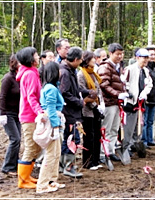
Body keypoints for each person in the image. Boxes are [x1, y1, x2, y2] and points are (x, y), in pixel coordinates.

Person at [59, 47, 97, 177]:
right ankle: (68, 166)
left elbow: (75, 89)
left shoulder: (71, 71)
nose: (81, 61)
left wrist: (86, 92)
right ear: (75, 59)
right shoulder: (64, 73)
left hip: (73, 111)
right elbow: (64, 93)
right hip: (69, 112)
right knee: (72, 138)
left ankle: (65, 165)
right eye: (80, 59)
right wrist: (80, 102)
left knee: (69, 138)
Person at [16, 47, 44, 189]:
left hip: (31, 115)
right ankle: (22, 180)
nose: (39, 57)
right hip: (29, 116)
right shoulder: (30, 75)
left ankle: (27, 176)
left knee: (36, 147)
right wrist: (39, 112)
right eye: (36, 55)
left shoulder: (31, 73)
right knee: (30, 147)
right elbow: (31, 97)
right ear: (31, 59)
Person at [36, 61, 65, 194]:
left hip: (54, 121)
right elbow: (51, 109)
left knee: (56, 153)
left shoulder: (52, 87)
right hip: (52, 123)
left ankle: (52, 180)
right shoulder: (51, 89)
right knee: (50, 154)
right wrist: (56, 126)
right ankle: (42, 184)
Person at [120, 48, 153, 160]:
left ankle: (135, 144)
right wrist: (127, 93)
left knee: (139, 125)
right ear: (137, 58)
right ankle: (126, 147)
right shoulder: (129, 69)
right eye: (143, 58)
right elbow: (123, 83)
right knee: (129, 127)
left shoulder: (146, 71)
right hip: (130, 102)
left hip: (140, 102)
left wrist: (144, 93)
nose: (145, 60)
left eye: (146, 58)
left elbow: (149, 84)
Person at [97, 43, 125, 163]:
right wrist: (117, 94)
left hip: (117, 102)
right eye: (117, 54)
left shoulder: (119, 67)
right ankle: (103, 153)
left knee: (114, 128)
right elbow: (104, 84)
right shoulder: (105, 67)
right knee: (106, 129)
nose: (120, 56)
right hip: (109, 102)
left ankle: (111, 150)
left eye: (121, 54)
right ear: (111, 54)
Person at [77, 51, 105, 170]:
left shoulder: (93, 73)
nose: (95, 60)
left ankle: (95, 159)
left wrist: (101, 103)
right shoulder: (81, 75)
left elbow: (98, 90)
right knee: (89, 135)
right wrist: (95, 105)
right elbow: (83, 92)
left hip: (97, 109)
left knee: (97, 134)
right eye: (92, 58)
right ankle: (87, 162)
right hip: (87, 110)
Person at [0, 54, 21, 176]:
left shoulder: (20, 77)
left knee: (18, 139)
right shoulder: (8, 78)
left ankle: (15, 165)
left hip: (17, 113)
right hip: (8, 113)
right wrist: (2, 113)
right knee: (15, 139)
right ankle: (7, 167)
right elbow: (2, 96)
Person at [142, 61, 155, 148]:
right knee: (144, 121)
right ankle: (144, 140)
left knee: (150, 121)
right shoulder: (145, 69)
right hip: (146, 98)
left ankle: (150, 139)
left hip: (154, 98)